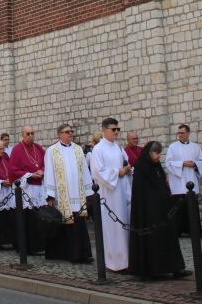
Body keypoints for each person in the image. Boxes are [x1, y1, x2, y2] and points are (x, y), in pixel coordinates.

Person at [128, 142, 190, 280]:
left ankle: (175, 268)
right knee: (151, 240)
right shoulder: (140, 167)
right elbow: (140, 192)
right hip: (148, 211)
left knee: (169, 239)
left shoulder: (156, 166)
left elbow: (161, 183)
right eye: (156, 153)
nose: (158, 156)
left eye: (159, 153)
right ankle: (150, 270)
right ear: (149, 153)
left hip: (162, 209)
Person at [44, 123, 92, 263]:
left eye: (71, 131)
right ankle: (69, 254)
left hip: (78, 192)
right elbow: (49, 173)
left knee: (79, 223)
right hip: (62, 195)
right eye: (67, 132)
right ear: (60, 134)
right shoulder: (52, 151)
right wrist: (50, 194)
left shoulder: (78, 149)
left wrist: (89, 191)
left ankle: (83, 253)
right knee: (65, 224)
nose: (70, 134)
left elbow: (85, 172)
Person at [88, 118, 132, 271]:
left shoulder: (119, 147)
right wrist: (117, 172)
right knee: (112, 229)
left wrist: (127, 169)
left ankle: (126, 261)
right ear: (104, 130)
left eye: (118, 129)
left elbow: (126, 163)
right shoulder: (98, 149)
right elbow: (97, 172)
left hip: (121, 190)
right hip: (108, 195)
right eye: (114, 129)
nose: (116, 132)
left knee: (124, 226)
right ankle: (113, 262)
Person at [10, 125, 46, 254]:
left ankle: (39, 245)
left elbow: (44, 163)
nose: (31, 136)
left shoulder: (38, 148)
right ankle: (27, 247)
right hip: (27, 188)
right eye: (28, 134)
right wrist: (30, 175)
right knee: (28, 218)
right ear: (23, 135)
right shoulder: (17, 149)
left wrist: (41, 170)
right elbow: (13, 169)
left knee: (38, 217)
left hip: (39, 187)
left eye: (32, 133)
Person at [165, 124, 202, 237]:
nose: (180, 135)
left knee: (192, 207)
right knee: (179, 208)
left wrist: (194, 164)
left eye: (182, 133)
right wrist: (182, 163)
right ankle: (177, 231)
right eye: (179, 133)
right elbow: (168, 163)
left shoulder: (195, 147)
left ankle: (194, 231)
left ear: (188, 133)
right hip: (179, 183)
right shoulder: (173, 147)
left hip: (192, 179)